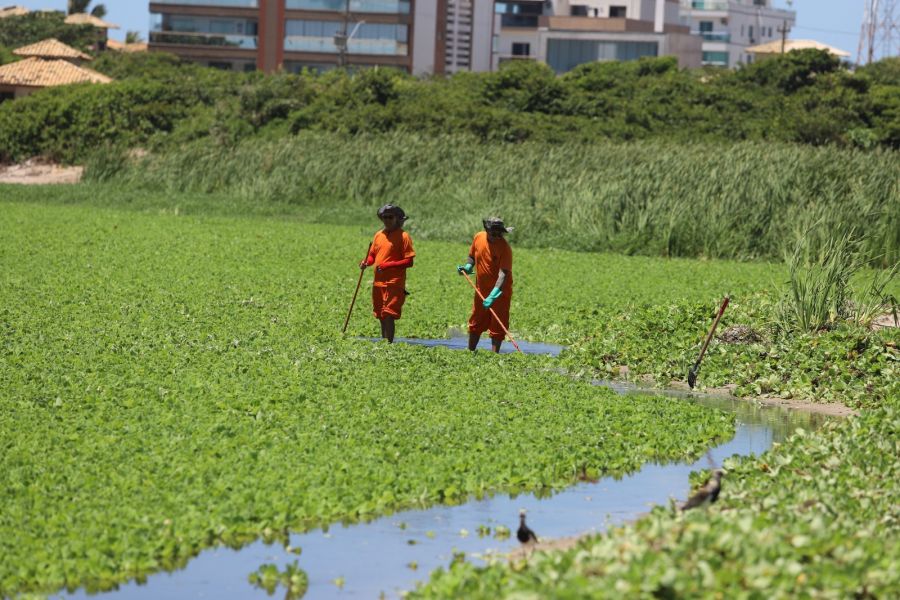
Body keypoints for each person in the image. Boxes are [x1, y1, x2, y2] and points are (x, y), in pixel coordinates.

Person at [360, 204, 415, 343]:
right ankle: (384, 343)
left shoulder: (404, 236)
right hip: (378, 282)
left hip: (394, 282)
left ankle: (388, 345)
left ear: (397, 219)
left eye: (390, 217)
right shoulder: (379, 235)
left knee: (389, 313)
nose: (387, 220)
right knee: (380, 315)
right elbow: (372, 255)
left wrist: (388, 265)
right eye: (384, 217)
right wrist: (366, 262)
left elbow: (409, 261)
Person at [457, 217, 513, 353]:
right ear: (487, 230)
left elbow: (503, 274)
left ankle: (494, 357)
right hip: (481, 290)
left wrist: (493, 295)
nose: (497, 237)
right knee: (476, 322)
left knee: (497, 326)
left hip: (499, 292)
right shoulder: (478, 237)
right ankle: (470, 352)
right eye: (494, 233)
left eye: (500, 234)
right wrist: (468, 267)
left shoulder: (505, 249)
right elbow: (472, 255)